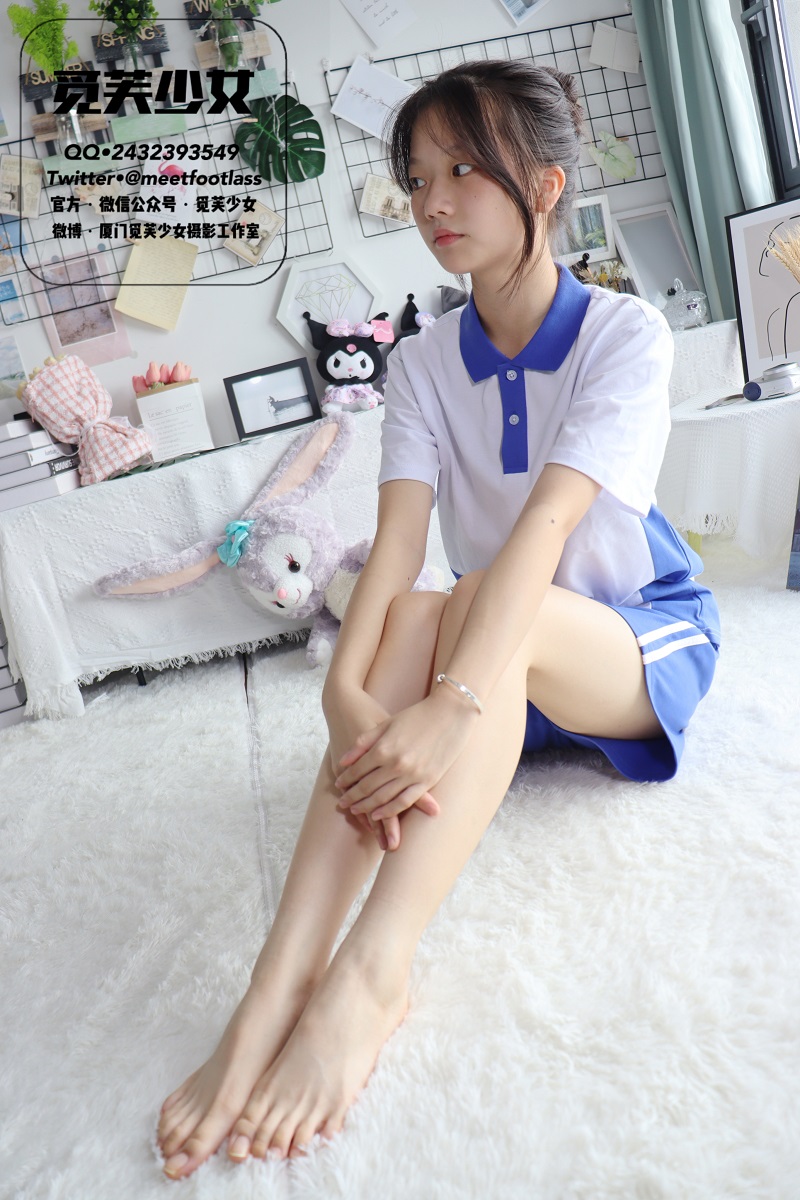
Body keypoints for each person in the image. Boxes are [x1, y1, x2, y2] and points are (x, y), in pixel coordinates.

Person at [157, 59, 721, 1180]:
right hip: (492, 670)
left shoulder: (624, 335)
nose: (432, 202)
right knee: (427, 604)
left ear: (546, 185)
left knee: (484, 598)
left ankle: (372, 973)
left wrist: (452, 701)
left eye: (464, 169)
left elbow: (547, 530)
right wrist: (344, 693)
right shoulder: (418, 361)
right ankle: (277, 983)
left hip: (624, 639)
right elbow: (398, 542)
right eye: (417, 178)